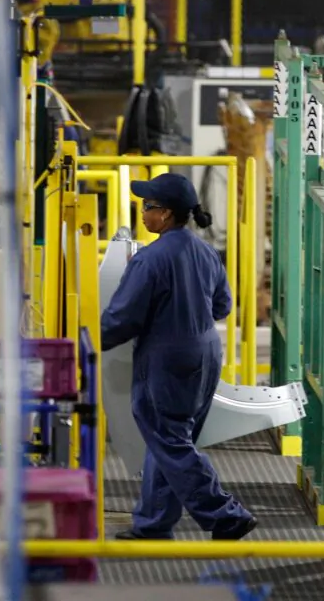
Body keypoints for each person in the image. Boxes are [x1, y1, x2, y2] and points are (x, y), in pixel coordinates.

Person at [101, 173, 257, 541]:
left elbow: (123, 318)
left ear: (166, 214)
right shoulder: (205, 251)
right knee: (169, 440)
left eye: (147, 206)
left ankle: (226, 514)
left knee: (169, 440)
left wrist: (84, 341)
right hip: (205, 353)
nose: (142, 213)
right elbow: (223, 305)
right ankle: (154, 523)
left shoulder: (150, 260)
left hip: (166, 358)